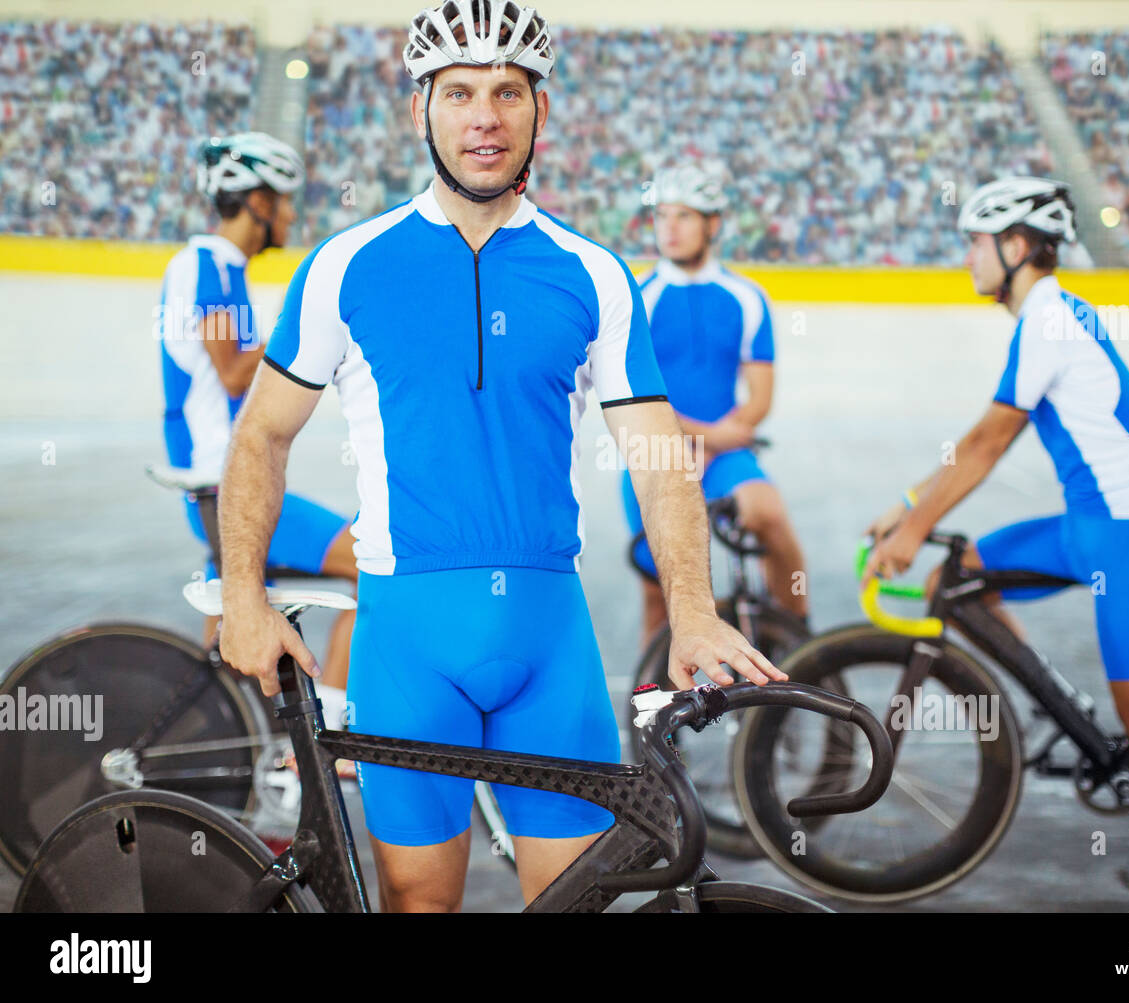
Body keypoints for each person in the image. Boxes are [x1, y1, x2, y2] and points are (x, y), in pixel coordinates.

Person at [215, 0, 783, 914]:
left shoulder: (591, 274)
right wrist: (243, 594)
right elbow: (262, 435)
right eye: (461, 92)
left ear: (539, 112)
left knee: (574, 904)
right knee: (419, 906)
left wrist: (695, 610)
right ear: (420, 110)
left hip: (548, 640)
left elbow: (656, 452)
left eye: (509, 92)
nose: (485, 114)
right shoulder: (347, 265)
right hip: (407, 640)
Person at [863, 177, 1129, 914]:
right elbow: (976, 446)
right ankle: (1062, 705)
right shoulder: (1044, 318)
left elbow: (986, 442)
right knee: (963, 575)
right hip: (1086, 526)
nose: (967, 257)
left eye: (976, 243)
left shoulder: (1048, 318)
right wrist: (907, 508)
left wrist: (913, 526)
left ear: (1016, 246)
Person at [157, 132, 357, 719]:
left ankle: (207, 738)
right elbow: (236, 370)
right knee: (370, 565)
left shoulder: (217, 267)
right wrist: (311, 330)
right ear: (258, 204)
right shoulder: (211, 263)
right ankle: (328, 746)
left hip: (215, 485)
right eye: (286, 200)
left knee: (224, 649)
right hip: (227, 483)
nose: (293, 213)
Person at [625, 162, 809, 648]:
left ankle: (800, 639)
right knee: (656, 592)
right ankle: (654, 711)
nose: (669, 227)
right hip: (657, 453)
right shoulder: (637, 297)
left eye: (684, 216)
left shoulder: (747, 297)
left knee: (768, 514)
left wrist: (711, 443)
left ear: (714, 224)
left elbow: (761, 398)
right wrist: (695, 439)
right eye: (662, 215)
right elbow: (631, 397)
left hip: (725, 452)